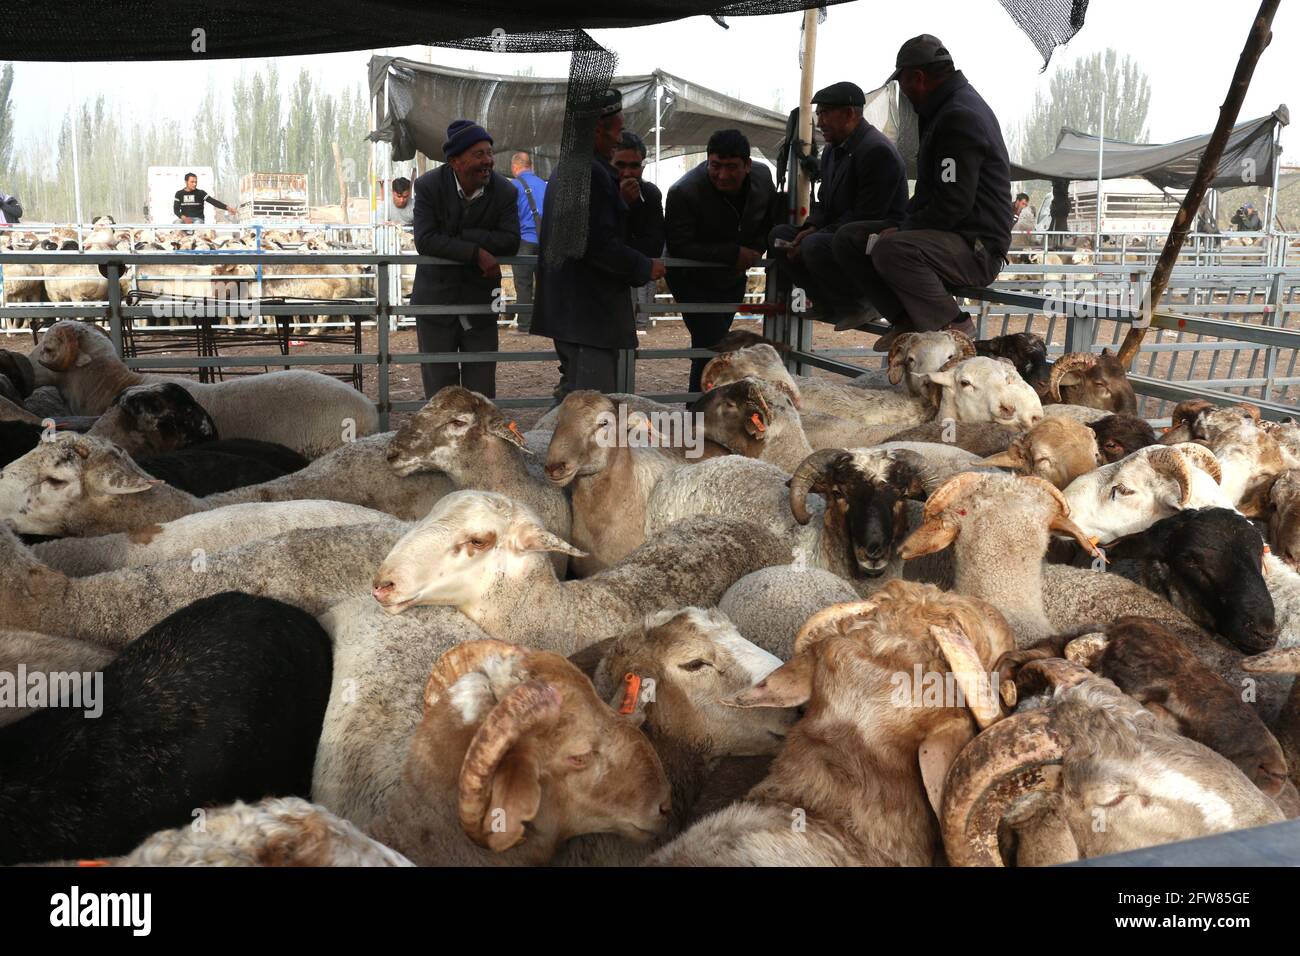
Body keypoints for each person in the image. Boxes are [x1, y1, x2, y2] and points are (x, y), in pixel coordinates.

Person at [853, 35, 1013, 351]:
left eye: (903, 83)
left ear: (918, 78)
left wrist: (903, 229)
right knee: (854, 239)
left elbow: (953, 203)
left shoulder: (958, 116)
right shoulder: (945, 111)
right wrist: (902, 224)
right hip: (954, 237)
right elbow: (935, 195)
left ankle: (953, 322)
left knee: (891, 248)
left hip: (976, 247)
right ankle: (907, 316)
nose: (904, 93)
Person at [532, 89, 666, 399]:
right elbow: (595, 244)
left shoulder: (572, 169)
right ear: (596, 130)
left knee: (573, 399)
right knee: (591, 409)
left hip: (573, 311)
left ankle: (545, 447)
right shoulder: (589, 174)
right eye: (617, 132)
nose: (619, 140)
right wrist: (644, 266)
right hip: (588, 314)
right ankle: (545, 448)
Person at [768, 80, 907, 328]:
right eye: (819, 114)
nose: (820, 122)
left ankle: (862, 303)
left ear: (849, 114)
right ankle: (825, 301)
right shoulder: (833, 150)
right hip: (838, 231)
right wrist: (810, 226)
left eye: (825, 114)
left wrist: (816, 234)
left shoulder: (876, 151)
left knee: (812, 245)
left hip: (872, 234)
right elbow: (825, 202)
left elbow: (867, 213)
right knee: (779, 237)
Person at [410, 118, 520, 399]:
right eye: (479, 154)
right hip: (435, 302)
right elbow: (425, 240)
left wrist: (463, 234)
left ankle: (481, 444)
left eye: (490, 153)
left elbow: (510, 240)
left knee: (481, 392)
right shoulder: (428, 186)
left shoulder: (505, 191)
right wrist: (477, 252)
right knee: (440, 394)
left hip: (481, 303)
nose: (488, 161)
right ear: (455, 161)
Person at [666, 128, 779, 392]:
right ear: (707, 161)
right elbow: (678, 244)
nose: (723, 175)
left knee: (714, 344)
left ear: (747, 165)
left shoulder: (763, 178)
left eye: (731, 167)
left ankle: (702, 410)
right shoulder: (684, 191)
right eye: (716, 166)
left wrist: (754, 248)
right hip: (690, 279)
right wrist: (734, 253)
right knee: (710, 344)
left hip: (731, 278)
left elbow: (769, 220)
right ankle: (700, 410)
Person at [611, 131, 665, 334]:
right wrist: (620, 203)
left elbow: (654, 244)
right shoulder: (598, 191)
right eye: (620, 165)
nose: (627, 173)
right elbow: (602, 241)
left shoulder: (650, 194)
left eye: (634, 166)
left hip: (635, 271)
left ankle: (642, 321)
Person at [508, 151, 547, 334]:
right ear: (530, 165)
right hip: (545, 240)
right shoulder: (544, 185)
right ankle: (546, 325)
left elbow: (510, 215)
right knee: (545, 283)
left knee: (523, 283)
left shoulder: (514, 186)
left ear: (515, 167)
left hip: (524, 240)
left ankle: (525, 325)